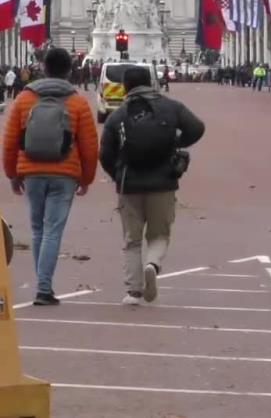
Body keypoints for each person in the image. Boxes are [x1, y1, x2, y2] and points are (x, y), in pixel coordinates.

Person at [99, 67, 205, 305]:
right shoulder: (171, 107)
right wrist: (175, 142)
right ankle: (153, 264)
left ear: (126, 87)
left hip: (129, 183)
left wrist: (117, 175)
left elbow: (105, 154)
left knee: (131, 240)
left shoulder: (118, 116)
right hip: (164, 180)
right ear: (151, 82)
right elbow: (197, 127)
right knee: (159, 235)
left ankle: (133, 292)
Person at [2, 48, 98, 306]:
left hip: (31, 171)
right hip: (64, 173)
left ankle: (42, 285)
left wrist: (12, 174)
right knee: (53, 231)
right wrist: (86, 179)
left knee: (37, 230)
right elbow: (89, 145)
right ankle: (44, 288)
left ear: (44, 68)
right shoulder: (77, 102)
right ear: (69, 70)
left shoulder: (24, 99)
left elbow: (10, 141)